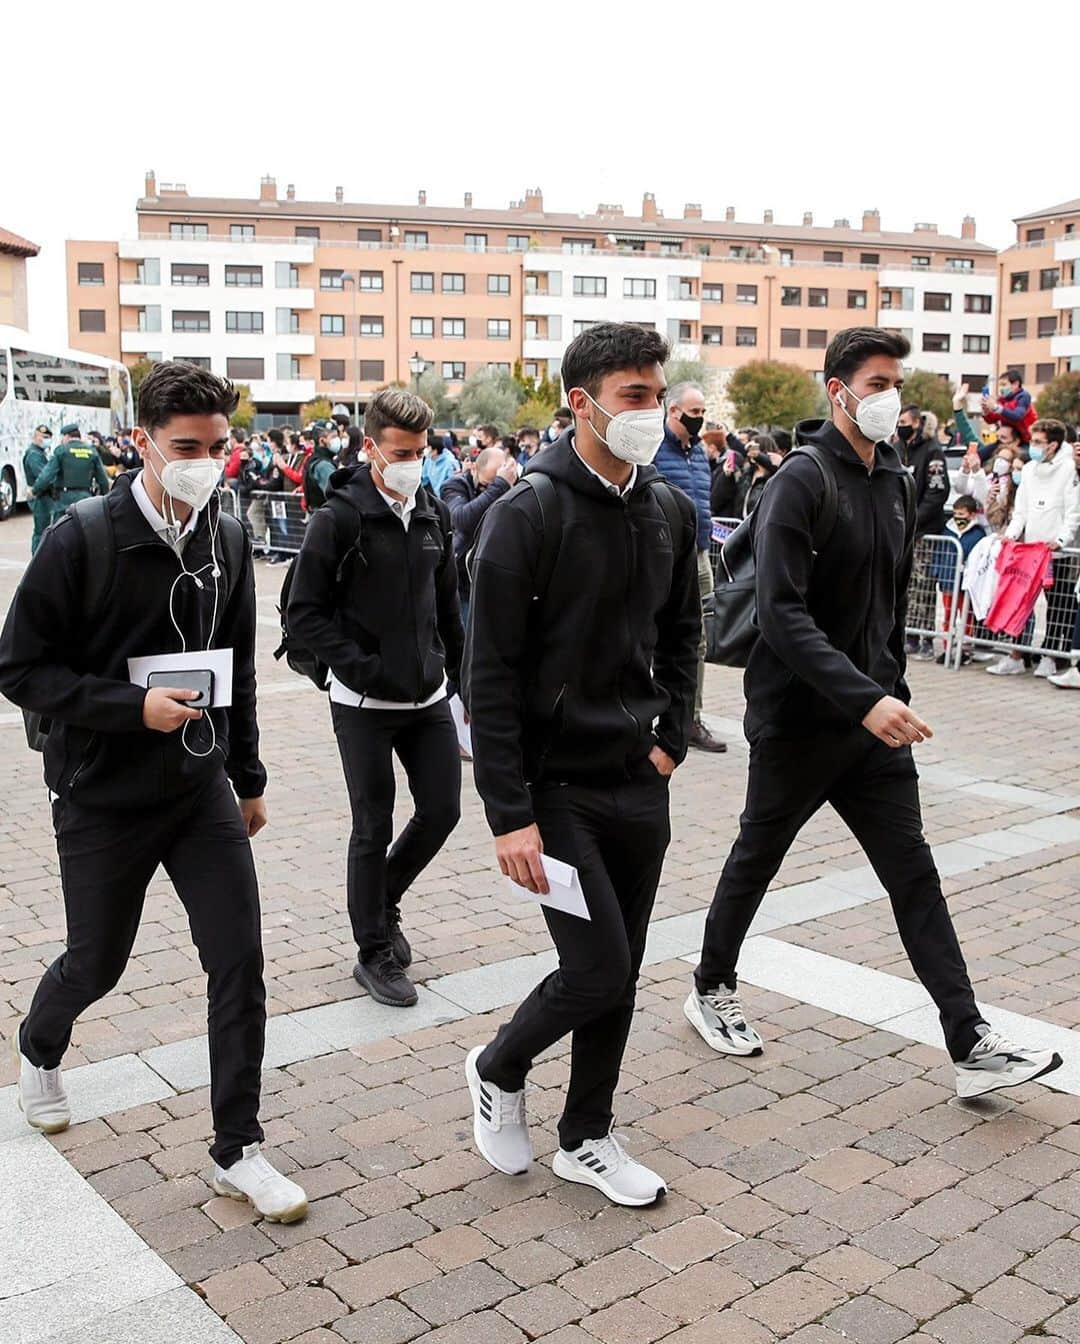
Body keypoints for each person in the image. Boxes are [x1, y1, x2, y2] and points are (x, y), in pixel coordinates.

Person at [686, 326, 1061, 1099]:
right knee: (758, 856)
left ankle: (969, 1040)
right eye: (879, 381)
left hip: (876, 724)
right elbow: (782, 616)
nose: (892, 396)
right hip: (800, 719)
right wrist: (867, 697)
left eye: (897, 381)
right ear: (839, 390)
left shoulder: (893, 480)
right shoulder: (799, 479)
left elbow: (888, 604)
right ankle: (711, 986)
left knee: (913, 873)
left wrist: (891, 686)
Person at [0, 362, 307, 1222]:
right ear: (141, 440)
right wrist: (131, 707)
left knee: (238, 960)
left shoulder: (229, 533)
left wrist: (246, 776)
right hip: (101, 790)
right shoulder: (82, 537)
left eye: (218, 446)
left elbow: (239, 664)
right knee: (98, 960)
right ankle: (40, 1042)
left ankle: (237, 1148)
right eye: (185, 448)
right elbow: (19, 668)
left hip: (199, 787)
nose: (206, 463)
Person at [462, 322, 700, 1207]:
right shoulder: (526, 513)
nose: (653, 409)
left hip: (639, 777)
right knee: (596, 967)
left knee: (624, 968)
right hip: (554, 790)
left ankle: (588, 1135)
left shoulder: (666, 508)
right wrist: (507, 813)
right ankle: (497, 1065)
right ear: (583, 402)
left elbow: (684, 633)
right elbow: (487, 673)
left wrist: (671, 733)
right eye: (634, 396)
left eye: (655, 391)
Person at [286, 390, 463, 1008]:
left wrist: (458, 677)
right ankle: (373, 951)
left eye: (421, 451)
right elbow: (304, 614)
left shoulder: (435, 514)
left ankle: (381, 901)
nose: (413, 461)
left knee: (442, 811)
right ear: (371, 448)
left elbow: (448, 609)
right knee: (373, 822)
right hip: (362, 703)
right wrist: (361, 668)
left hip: (427, 696)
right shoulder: (339, 519)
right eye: (401, 452)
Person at [655, 382, 725, 754]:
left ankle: (689, 717)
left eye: (702, 412)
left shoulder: (698, 453)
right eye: (694, 412)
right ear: (673, 411)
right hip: (660, 557)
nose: (699, 420)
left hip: (697, 557)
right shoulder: (653, 448)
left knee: (695, 638)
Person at [986, 419, 1080, 678]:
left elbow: (1073, 512)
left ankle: (1051, 655)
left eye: (1038, 442)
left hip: (1055, 552)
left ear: (1053, 444)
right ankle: (1016, 654)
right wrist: (1012, 534)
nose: (1033, 446)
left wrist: (1061, 540)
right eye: (1032, 441)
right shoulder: (1028, 470)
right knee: (1019, 601)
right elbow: (1022, 509)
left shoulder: (1070, 469)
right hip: (1029, 549)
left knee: (1058, 605)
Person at [895, 403, 948, 659]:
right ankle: (910, 635)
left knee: (924, 586)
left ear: (916, 423)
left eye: (904, 421)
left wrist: (914, 521)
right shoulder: (896, 449)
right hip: (901, 532)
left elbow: (937, 492)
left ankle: (926, 638)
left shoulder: (932, 451)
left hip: (924, 532)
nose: (900, 426)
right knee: (905, 588)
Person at [442, 446, 518, 626]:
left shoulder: (513, 484)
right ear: (474, 469)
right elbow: (462, 520)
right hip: (463, 579)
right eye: (486, 485)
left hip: (497, 575)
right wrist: (499, 486)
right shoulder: (455, 485)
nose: (488, 491)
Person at [931, 494, 986, 664]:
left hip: (966, 585)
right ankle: (947, 648)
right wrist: (937, 572)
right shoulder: (948, 531)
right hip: (948, 581)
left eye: (962, 514)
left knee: (967, 618)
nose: (958, 518)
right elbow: (939, 553)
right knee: (948, 616)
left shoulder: (978, 534)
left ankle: (965, 650)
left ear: (971, 514)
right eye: (956, 514)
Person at [29, 423, 110, 511]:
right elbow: (103, 480)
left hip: (64, 501)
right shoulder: (92, 452)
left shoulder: (61, 451)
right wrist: (103, 497)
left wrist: (34, 490)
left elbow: (47, 475)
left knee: (61, 524)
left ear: (67, 436)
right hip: (86, 499)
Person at [23, 426, 56, 555]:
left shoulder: (38, 453)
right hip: (41, 497)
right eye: (44, 437)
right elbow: (44, 477)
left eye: (48, 438)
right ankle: (37, 561)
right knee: (41, 531)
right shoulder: (34, 455)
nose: (46, 440)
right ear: (36, 437)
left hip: (43, 496)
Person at [984, 369, 1035, 445]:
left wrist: (996, 407)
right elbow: (992, 420)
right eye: (1000, 385)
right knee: (981, 453)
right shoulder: (1002, 400)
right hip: (1006, 439)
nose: (1001, 388)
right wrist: (986, 411)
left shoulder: (1023, 397)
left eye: (1004, 385)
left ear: (1016, 384)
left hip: (1025, 441)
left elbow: (1017, 416)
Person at [421, 430, 458, 497]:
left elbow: (454, 483)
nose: (425, 450)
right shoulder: (429, 460)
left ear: (435, 450)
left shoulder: (450, 462)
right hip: (437, 496)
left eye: (427, 447)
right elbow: (423, 479)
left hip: (448, 497)